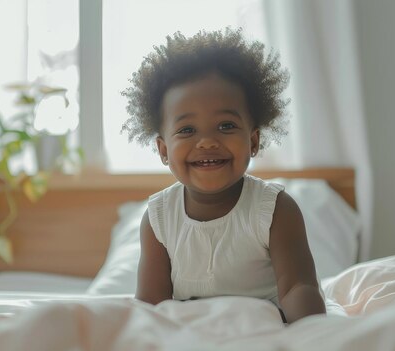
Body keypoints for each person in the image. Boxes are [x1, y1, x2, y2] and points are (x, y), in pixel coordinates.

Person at [122, 28, 325, 324]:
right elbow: (152, 306)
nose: (206, 141)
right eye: (187, 130)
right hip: (189, 335)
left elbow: (298, 288)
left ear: (253, 142)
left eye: (226, 126)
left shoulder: (275, 209)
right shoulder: (159, 219)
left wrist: (311, 334)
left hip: (264, 331)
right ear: (163, 150)